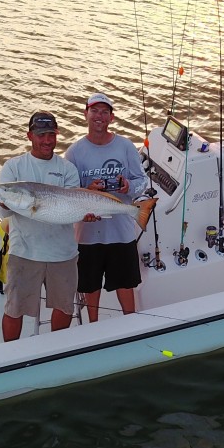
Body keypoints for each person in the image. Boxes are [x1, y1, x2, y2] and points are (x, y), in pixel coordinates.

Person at [0, 111, 82, 342]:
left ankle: (55, 349)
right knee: (15, 309)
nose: (47, 140)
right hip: (24, 252)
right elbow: (3, 211)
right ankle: (10, 354)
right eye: (41, 135)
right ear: (30, 136)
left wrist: (87, 214)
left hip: (62, 253)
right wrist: (4, 201)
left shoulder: (67, 169)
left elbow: (72, 209)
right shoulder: (13, 168)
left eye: (51, 134)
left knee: (65, 307)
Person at [65, 92, 149, 321]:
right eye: (94, 110)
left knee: (125, 282)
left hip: (121, 231)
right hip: (87, 233)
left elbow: (143, 181)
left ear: (112, 118)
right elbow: (68, 192)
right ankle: (94, 326)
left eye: (104, 112)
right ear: (86, 114)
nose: (99, 116)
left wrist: (127, 186)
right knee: (90, 285)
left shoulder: (125, 146)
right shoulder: (74, 152)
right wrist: (87, 188)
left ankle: (131, 323)